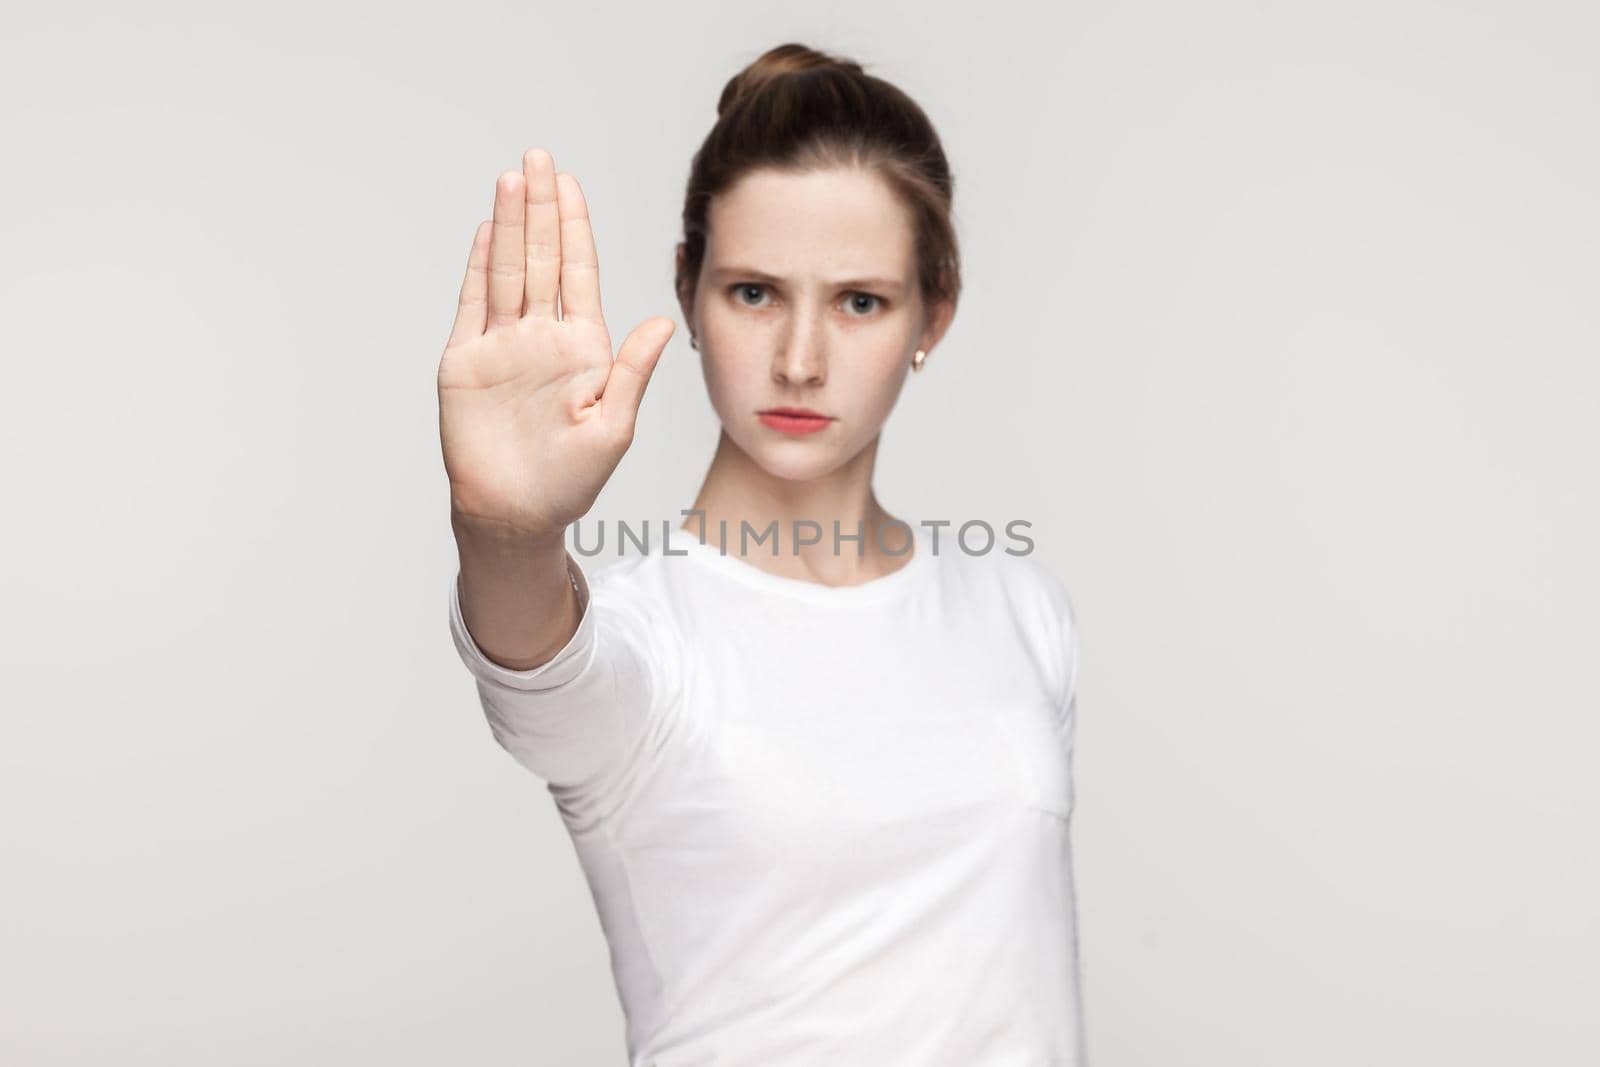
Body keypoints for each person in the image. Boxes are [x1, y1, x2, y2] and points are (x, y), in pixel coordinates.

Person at [438, 42, 1085, 1066]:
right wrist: (506, 533)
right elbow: (539, 653)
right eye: (754, 293)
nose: (799, 358)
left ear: (934, 315)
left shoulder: (1019, 610)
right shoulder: (644, 640)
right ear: (689, 290)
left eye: (859, 301)